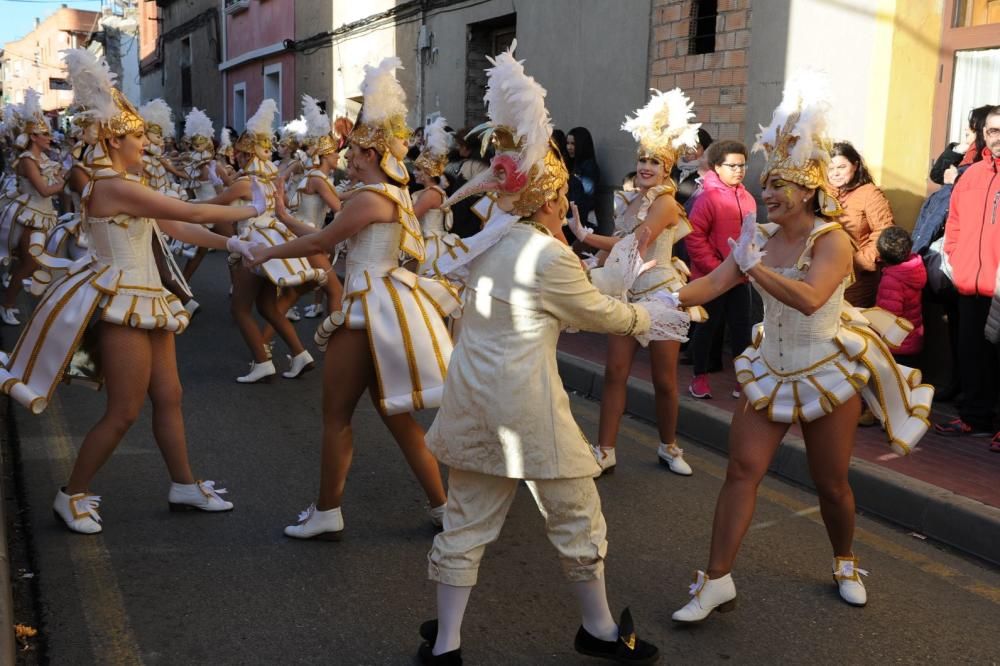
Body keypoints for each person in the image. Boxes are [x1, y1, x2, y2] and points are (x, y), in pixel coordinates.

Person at [417, 44, 669, 664]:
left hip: (474, 397)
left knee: (467, 523)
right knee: (577, 516)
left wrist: (609, 279)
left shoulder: (489, 244)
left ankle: (446, 645)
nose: (566, 210)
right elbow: (594, 313)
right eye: (560, 203)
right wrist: (649, 317)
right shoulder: (545, 253)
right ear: (548, 202)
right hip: (525, 408)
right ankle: (601, 633)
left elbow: (567, 295)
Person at [669, 72, 933, 620]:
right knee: (742, 470)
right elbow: (714, 284)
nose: (766, 193)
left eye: (777, 185)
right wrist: (647, 295)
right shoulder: (759, 238)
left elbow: (812, 298)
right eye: (765, 185)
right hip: (771, 366)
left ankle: (844, 559)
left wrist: (754, 270)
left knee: (830, 482)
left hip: (828, 368)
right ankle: (717, 580)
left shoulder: (831, 239)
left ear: (808, 190)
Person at [0, 48, 266, 534]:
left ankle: (183, 484)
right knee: (123, 411)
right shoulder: (110, 186)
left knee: (169, 395)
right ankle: (72, 493)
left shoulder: (127, 182)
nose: (146, 144)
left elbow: (177, 228)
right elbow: (191, 212)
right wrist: (250, 211)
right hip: (121, 300)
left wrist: (233, 242)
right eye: (139, 137)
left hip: (147, 298)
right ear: (114, 139)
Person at [248, 58, 454, 540]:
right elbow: (331, 238)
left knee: (336, 416)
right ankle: (443, 507)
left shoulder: (368, 197)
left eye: (353, 149)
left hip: (366, 309)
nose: (346, 155)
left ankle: (327, 511)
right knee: (396, 416)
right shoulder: (392, 195)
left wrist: (267, 252)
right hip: (383, 303)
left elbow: (321, 244)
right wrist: (281, 223)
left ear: (366, 152)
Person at [571, 87, 705, 477]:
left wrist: (588, 236)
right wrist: (587, 263)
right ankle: (605, 449)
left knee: (664, 380)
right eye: (643, 159)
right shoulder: (630, 200)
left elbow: (636, 242)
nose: (646, 166)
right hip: (628, 295)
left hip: (661, 295)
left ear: (668, 169)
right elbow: (618, 252)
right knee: (615, 372)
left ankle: (669, 446)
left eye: (655, 161)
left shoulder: (665, 203)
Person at [195, 99, 325, 383]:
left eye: (239, 154)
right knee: (267, 306)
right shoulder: (270, 180)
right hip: (272, 244)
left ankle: (263, 361)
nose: (236, 158)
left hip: (252, 246)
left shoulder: (245, 182)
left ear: (245, 155)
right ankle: (301, 355)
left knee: (240, 309)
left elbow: (212, 206)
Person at [935, 105, 1000, 450]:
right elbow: (955, 223)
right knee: (972, 351)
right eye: (992, 131)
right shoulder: (971, 175)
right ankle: (975, 418)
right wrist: (956, 258)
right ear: (984, 135)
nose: (998, 137)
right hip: (970, 282)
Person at [685, 140, 756, 400]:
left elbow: (751, 236)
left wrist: (749, 264)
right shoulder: (708, 196)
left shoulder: (748, 198)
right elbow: (694, 237)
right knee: (708, 327)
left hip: (740, 278)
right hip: (711, 278)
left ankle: (743, 379)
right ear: (717, 167)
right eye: (732, 165)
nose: (738, 170)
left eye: (742, 165)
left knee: (741, 328)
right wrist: (716, 269)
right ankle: (699, 378)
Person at [0, 89, 64, 325]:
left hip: (45, 214)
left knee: (39, 260)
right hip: (31, 216)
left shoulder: (45, 158)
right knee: (29, 263)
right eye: (45, 134)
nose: (50, 138)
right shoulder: (28, 160)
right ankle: (6, 304)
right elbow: (45, 190)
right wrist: (66, 180)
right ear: (34, 136)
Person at [828, 141, 895, 307]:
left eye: (841, 167)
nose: (835, 173)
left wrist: (861, 261)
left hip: (857, 282)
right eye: (830, 168)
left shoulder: (869, 193)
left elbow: (884, 231)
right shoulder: (822, 193)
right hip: (824, 276)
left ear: (855, 165)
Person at [875, 226, 925, 366]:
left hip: (897, 343)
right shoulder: (914, 270)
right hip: (913, 338)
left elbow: (887, 317)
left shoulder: (891, 280)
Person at [930, 104, 992, 185]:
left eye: (971, 124)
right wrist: (957, 151)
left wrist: (956, 179)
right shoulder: (965, 152)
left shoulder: (987, 157)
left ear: (982, 128)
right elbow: (937, 175)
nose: (966, 128)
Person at [566, 126, 600, 238]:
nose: (569, 147)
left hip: (582, 222)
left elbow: (586, 198)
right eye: (568, 143)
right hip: (572, 220)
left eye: (573, 144)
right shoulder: (573, 165)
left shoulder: (588, 167)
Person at [671, 127, 713, 208]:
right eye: (685, 146)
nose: (689, 151)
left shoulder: (707, 174)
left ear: (706, 149)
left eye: (696, 147)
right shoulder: (672, 169)